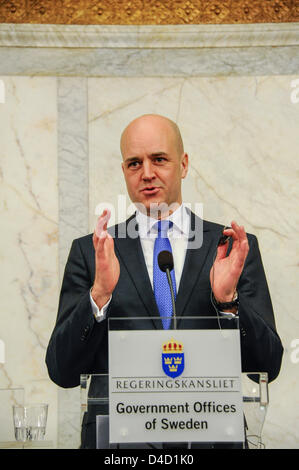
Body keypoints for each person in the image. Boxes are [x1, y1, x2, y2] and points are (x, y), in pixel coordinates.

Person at [46, 114, 283, 448]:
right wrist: (99, 296)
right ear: (124, 171)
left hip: (211, 439)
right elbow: (61, 370)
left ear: (183, 164)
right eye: (133, 163)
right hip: (119, 445)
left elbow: (268, 365)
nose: (146, 173)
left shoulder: (229, 247)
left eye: (159, 159)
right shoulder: (92, 252)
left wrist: (228, 304)